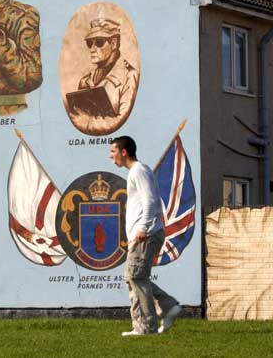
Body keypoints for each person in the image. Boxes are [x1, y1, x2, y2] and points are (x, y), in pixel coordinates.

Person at [109, 136, 181, 336]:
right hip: (144, 234)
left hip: (146, 234)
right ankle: (167, 306)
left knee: (135, 276)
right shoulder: (137, 171)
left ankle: (146, 327)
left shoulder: (138, 170)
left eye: (113, 151)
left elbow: (151, 202)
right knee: (134, 277)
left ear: (124, 152)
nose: (110, 156)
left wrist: (143, 228)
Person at [69, 18, 139, 134]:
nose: (92, 49)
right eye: (89, 43)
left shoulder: (130, 76)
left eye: (99, 42)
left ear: (113, 43)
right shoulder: (85, 81)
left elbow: (124, 122)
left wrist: (86, 122)